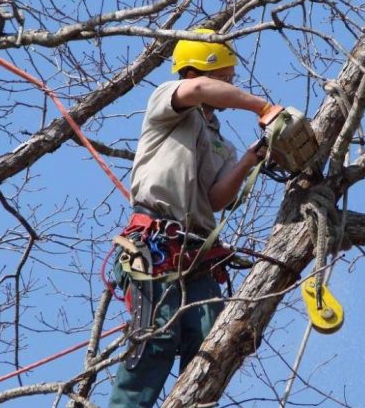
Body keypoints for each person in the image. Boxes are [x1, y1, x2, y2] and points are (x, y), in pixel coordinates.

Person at [109, 28, 273, 407]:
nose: (231, 89)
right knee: (155, 340)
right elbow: (197, 92)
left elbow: (215, 199)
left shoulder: (220, 142)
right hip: (154, 245)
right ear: (198, 72)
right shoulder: (166, 102)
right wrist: (263, 108)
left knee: (212, 345)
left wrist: (251, 158)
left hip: (197, 256)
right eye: (225, 80)